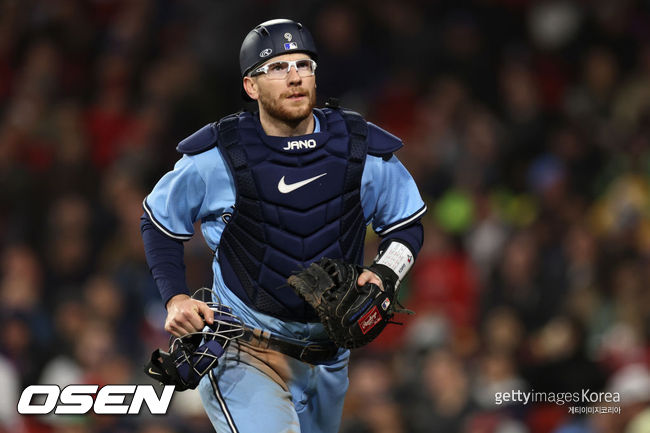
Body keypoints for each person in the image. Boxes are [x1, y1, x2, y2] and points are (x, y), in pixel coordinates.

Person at [140, 18, 426, 433]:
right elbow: (159, 222)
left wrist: (385, 272)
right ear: (250, 86)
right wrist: (175, 299)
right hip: (245, 348)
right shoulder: (218, 155)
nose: (294, 77)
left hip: (330, 354)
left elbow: (407, 223)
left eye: (303, 65)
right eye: (276, 67)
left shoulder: (357, 148)